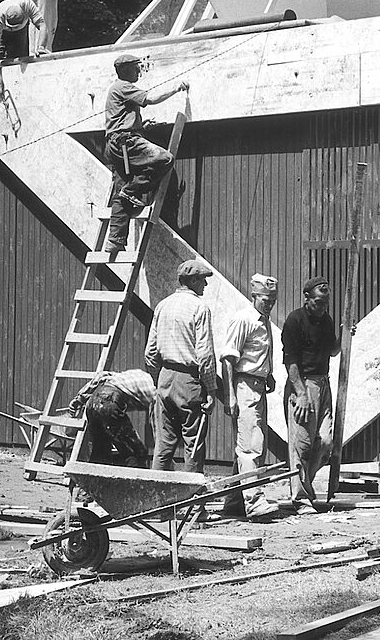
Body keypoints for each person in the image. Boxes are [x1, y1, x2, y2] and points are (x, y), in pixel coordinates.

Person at [100, 54, 189, 254]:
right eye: (135, 68)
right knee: (165, 159)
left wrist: (140, 126)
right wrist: (176, 88)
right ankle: (132, 191)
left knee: (121, 193)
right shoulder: (123, 86)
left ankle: (114, 241)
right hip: (125, 142)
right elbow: (150, 99)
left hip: (116, 144)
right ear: (125, 70)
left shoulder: (117, 89)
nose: (138, 71)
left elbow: (121, 119)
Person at [218, 274, 282, 521]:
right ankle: (254, 503)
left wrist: (269, 374)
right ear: (254, 296)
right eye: (266, 300)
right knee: (250, 446)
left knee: (253, 444)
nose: (270, 304)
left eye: (273, 300)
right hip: (243, 386)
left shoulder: (263, 320)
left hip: (258, 385)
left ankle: (234, 501)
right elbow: (228, 358)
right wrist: (230, 396)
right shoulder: (243, 319)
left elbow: (260, 353)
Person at [145, 259, 217, 473]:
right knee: (193, 443)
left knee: (164, 443)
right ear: (193, 280)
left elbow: (150, 351)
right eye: (203, 280)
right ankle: (192, 505)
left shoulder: (162, 305)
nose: (205, 285)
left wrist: (160, 377)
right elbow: (205, 354)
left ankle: (155, 499)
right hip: (188, 380)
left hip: (165, 377)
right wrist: (211, 390)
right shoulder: (200, 308)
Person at [281, 276, 340, 513]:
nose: (322, 307)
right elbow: (291, 362)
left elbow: (332, 351)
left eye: (325, 303)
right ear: (306, 298)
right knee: (301, 446)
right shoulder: (295, 321)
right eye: (318, 302)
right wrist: (301, 394)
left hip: (323, 384)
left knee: (326, 441)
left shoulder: (326, 320)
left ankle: (306, 486)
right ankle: (300, 498)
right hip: (303, 386)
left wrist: (344, 337)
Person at [67, 369, 155, 466]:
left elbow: (101, 376)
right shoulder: (157, 390)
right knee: (137, 452)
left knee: (101, 451)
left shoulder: (136, 375)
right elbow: (157, 422)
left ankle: (94, 479)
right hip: (110, 401)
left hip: (93, 401)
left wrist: (80, 398)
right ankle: (136, 479)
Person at [0, 0, 45, 98]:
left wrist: (41, 47)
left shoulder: (28, 5)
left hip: (21, 28)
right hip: (1, 28)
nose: (13, 29)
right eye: (12, 27)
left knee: (19, 57)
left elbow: (42, 25)